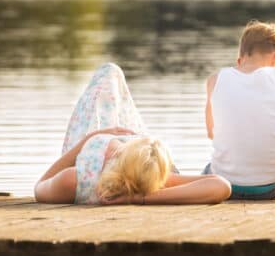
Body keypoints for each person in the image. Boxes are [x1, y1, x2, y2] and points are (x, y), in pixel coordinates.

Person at [35, 63, 231, 205]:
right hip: (138, 156)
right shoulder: (158, 181)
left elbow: (40, 186)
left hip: (93, 146)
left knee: (109, 72)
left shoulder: (77, 179)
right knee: (113, 78)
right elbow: (222, 186)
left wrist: (87, 140)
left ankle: (117, 129)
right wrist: (141, 198)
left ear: (121, 155)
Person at [204, 20, 275, 200]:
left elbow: (211, 132)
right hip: (266, 190)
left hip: (224, 186)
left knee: (206, 171)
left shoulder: (214, 79)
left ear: (240, 60)